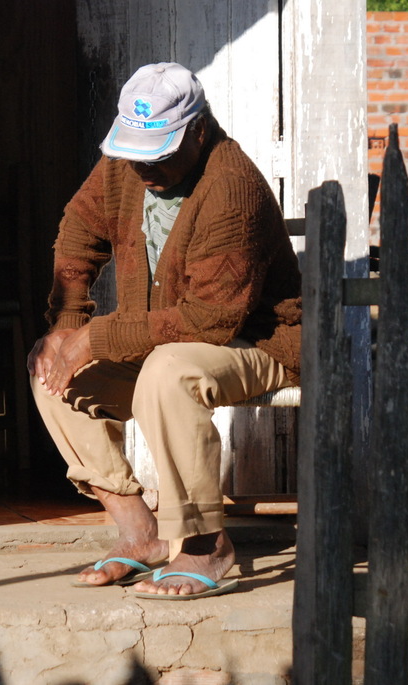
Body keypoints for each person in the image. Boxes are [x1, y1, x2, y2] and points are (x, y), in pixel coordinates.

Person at [27, 62, 302, 599]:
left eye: (161, 152)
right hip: (168, 341)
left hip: (256, 342)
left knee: (168, 369)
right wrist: (68, 325)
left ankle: (205, 543)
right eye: (136, 150)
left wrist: (95, 338)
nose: (144, 167)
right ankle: (140, 535)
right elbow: (78, 231)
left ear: (198, 130)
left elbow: (210, 321)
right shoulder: (122, 167)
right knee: (47, 365)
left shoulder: (231, 187)